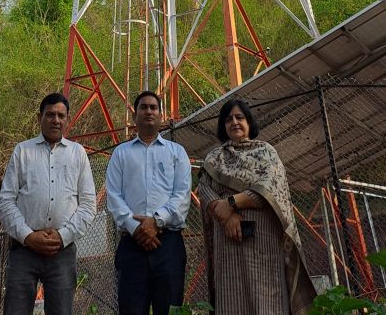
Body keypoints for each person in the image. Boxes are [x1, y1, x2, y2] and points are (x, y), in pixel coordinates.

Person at [197, 98, 317, 315]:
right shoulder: (214, 158)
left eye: (239, 117)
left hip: (263, 240)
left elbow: (271, 187)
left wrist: (231, 203)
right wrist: (227, 217)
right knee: (231, 296)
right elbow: (205, 189)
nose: (234, 122)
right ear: (223, 126)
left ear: (249, 122)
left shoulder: (266, 152)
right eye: (228, 119)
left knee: (267, 298)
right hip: (227, 239)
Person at [0, 92, 96, 315]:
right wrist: (28, 236)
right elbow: (6, 200)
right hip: (24, 249)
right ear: (39, 117)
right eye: (50, 114)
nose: (56, 120)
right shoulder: (23, 151)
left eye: (61, 115)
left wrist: (63, 236)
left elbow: (88, 204)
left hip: (62, 251)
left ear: (68, 119)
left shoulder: (78, 153)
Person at [105, 91, 191, 315]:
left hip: (169, 245)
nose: (149, 111)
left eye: (154, 107)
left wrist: (156, 222)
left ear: (161, 115)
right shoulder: (121, 153)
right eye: (143, 107)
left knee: (170, 309)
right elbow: (114, 196)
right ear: (135, 116)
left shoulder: (177, 152)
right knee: (131, 309)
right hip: (131, 245)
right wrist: (137, 229)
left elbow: (182, 195)